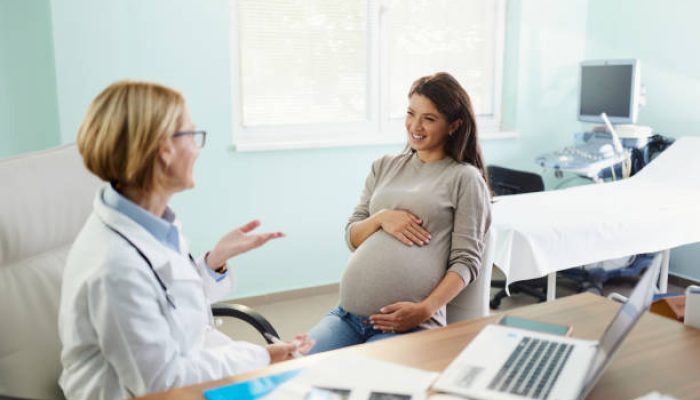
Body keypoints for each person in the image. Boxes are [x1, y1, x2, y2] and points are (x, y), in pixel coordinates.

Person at [58, 81, 313, 399]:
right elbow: (163, 382)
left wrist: (212, 263)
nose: (197, 148)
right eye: (192, 135)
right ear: (164, 150)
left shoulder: (152, 223)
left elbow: (169, 302)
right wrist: (261, 356)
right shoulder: (115, 265)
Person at [307, 72, 492, 353]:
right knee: (293, 370)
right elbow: (352, 236)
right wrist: (382, 218)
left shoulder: (464, 178)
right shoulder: (384, 166)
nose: (415, 126)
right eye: (410, 114)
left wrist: (424, 310)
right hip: (347, 316)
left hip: (411, 323)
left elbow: (466, 262)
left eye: (429, 119)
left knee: (366, 390)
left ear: (454, 125)